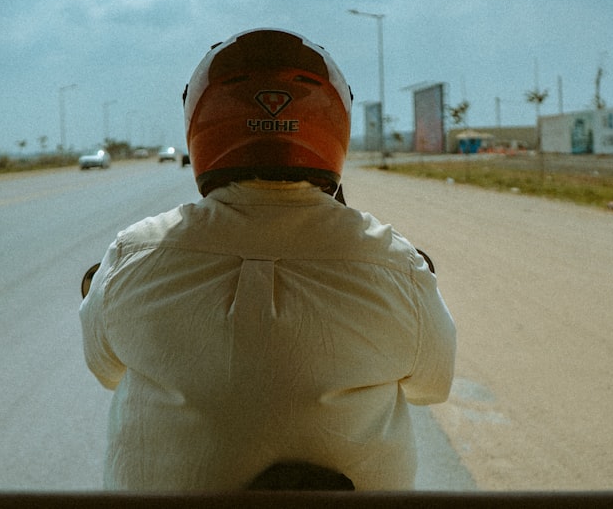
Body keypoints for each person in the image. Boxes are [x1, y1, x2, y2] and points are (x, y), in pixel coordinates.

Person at [79, 28, 456, 491]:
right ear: (335, 124)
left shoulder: (132, 257)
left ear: (200, 123)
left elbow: (106, 369)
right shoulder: (396, 266)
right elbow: (431, 386)